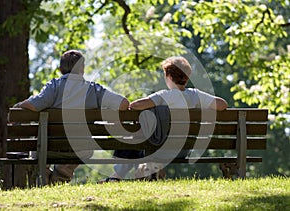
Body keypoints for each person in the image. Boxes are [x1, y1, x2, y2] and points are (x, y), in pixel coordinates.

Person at [99, 56, 228, 183]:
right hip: (183, 150)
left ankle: (116, 176)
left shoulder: (164, 96)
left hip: (159, 149)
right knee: (136, 140)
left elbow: (135, 105)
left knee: (133, 140)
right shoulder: (196, 95)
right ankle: (117, 176)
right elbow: (222, 104)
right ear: (187, 78)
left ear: (169, 77)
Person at [14, 50, 129, 184]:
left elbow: (34, 105)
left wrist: (19, 105)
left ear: (61, 68)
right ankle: (60, 178)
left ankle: (45, 181)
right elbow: (124, 103)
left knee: (38, 151)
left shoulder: (54, 86)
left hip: (49, 147)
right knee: (72, 160)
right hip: (81, 149)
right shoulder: (94, 90)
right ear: (82, 68)